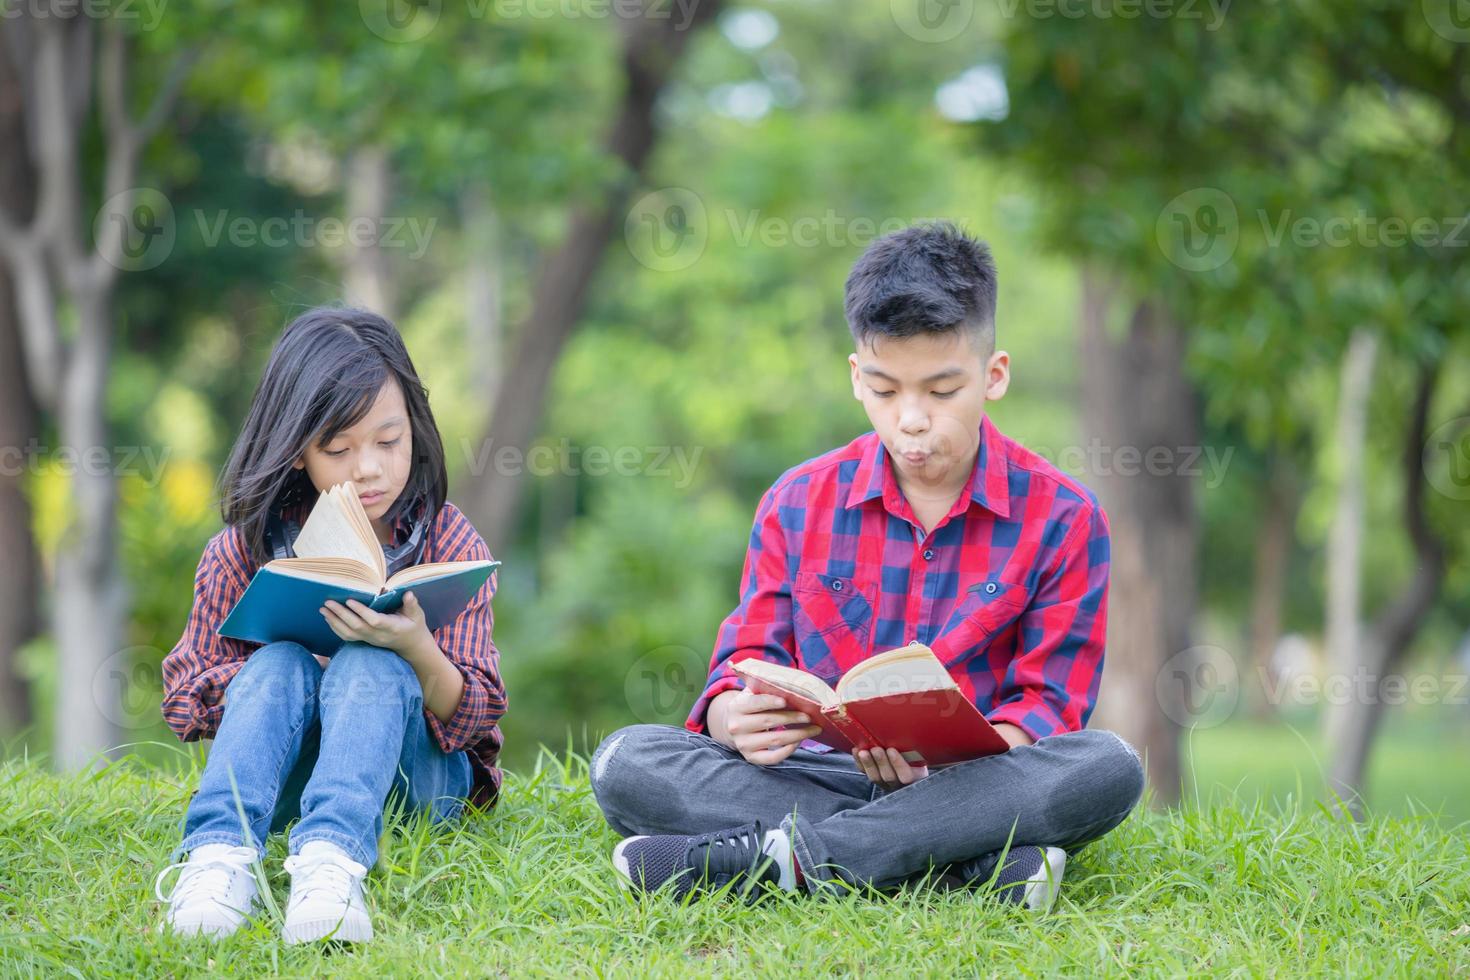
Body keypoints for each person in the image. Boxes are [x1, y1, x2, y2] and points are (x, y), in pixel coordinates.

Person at [590, 223, 1144, 909]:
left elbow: (1049, 707)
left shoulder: (1065, 517)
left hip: (970, 786)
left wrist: (952, 767)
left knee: (1107, 766)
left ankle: (783, 862)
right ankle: (957, 867)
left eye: (942, 391)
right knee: (628, 763)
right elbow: (747, 658)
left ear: (992, 375)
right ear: (857, 377)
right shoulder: (797, 500)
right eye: (886, 390)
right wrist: (737, 717)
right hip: (813, 776)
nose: (912, 419)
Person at [154, 307, 506, 942]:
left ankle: (333, 867)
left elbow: (477, 719)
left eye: (388, 441)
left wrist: (418, 651)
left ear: (416, 432)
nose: (367, 468)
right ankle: (216, 859)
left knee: (373, 662)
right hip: (289, 778)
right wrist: (299, 672)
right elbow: (184, 700)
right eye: (338, 448)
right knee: (279, 662)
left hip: (414, 784)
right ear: (295, 451)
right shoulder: (241, 550)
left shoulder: (450, 540)